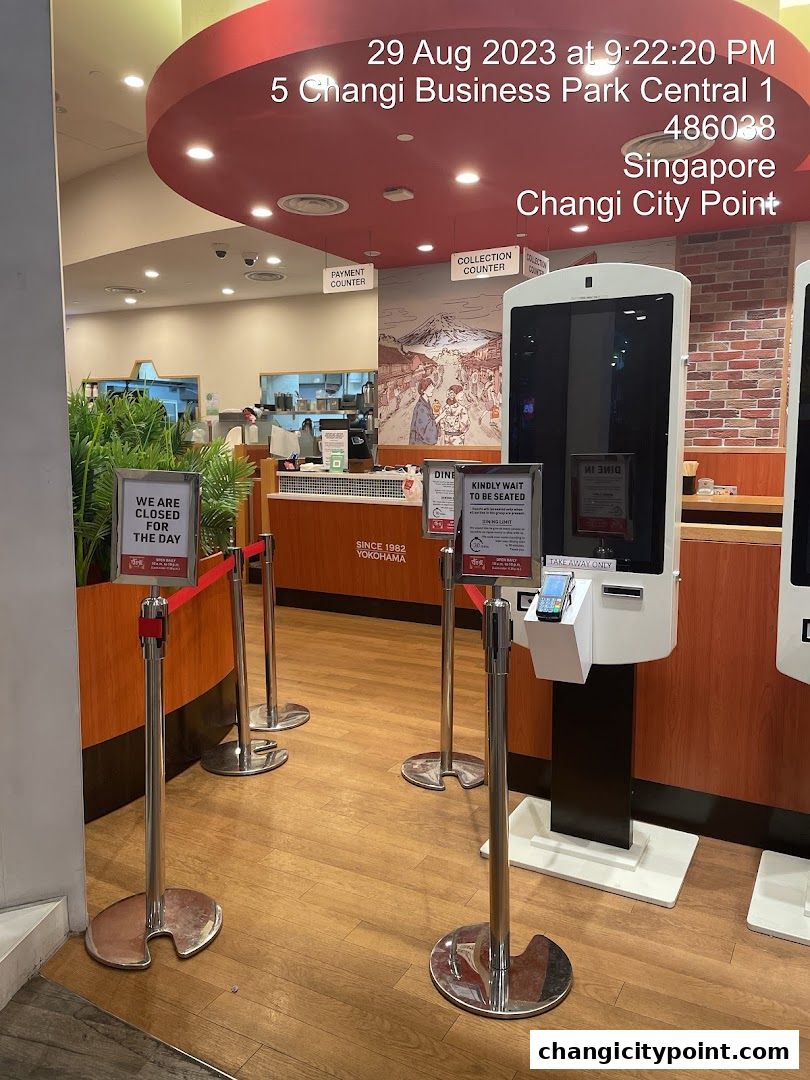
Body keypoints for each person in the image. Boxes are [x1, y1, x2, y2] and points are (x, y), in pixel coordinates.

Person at [409, 376, 438, 444]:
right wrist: (441, 416)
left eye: (432, 386)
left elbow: (429, 419)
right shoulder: (421, 407)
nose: (433, 388)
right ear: (423, 390)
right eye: (430, 387)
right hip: (420, 441)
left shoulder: (425, 401)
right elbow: (427, 427)